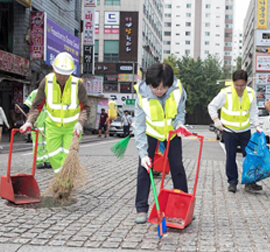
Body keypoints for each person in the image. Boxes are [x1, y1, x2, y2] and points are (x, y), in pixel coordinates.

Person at [133, 63, 191, 224]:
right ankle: (141, 208)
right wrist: (143, 154)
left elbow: (180, 111)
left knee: (177, 167)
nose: (159, 91)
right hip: (151, 132)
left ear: (169, 83)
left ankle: (183, 207)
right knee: (145, 168)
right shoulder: (142, 95)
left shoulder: (178, 90)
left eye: (163, 87)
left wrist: (179, 124)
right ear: (149, 83)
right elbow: (139, 126)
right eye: (155, 87)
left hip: (172, 132)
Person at [20, 52, 90, 173]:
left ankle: (66, 185)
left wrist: (80, 123)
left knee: (69, 157)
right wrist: (29, 122)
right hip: (52, 127)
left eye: (66, 74)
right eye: (59, 74)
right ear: (53, 69)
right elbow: (37, 106)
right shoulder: (46, 82)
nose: (62, 77)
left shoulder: (78, 84)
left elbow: (85, 108)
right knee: (54, 157)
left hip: (72, 128)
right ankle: (60, 181)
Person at [208, 69, 263, 193]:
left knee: (249, 157)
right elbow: (211, 106)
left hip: (245, 130)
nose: (239, 88)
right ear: (233, 82)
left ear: (246, 82)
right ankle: (232, 182)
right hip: (229, 131)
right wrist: (216, 120)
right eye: (237, 85)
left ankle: (250, 182)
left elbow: (253, 111)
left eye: (242, 85)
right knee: (231, 156)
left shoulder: (250, 93)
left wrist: (257, 125)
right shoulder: (225, 93)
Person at [23, 89, 51, 169]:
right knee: (38, 143)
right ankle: (39, 161)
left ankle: (48, 160)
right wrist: (29, 119)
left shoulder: (52, 93)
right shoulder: (36, 93)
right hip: (37, 123)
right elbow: (26, 107)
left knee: (48, 143)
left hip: (48, 123)